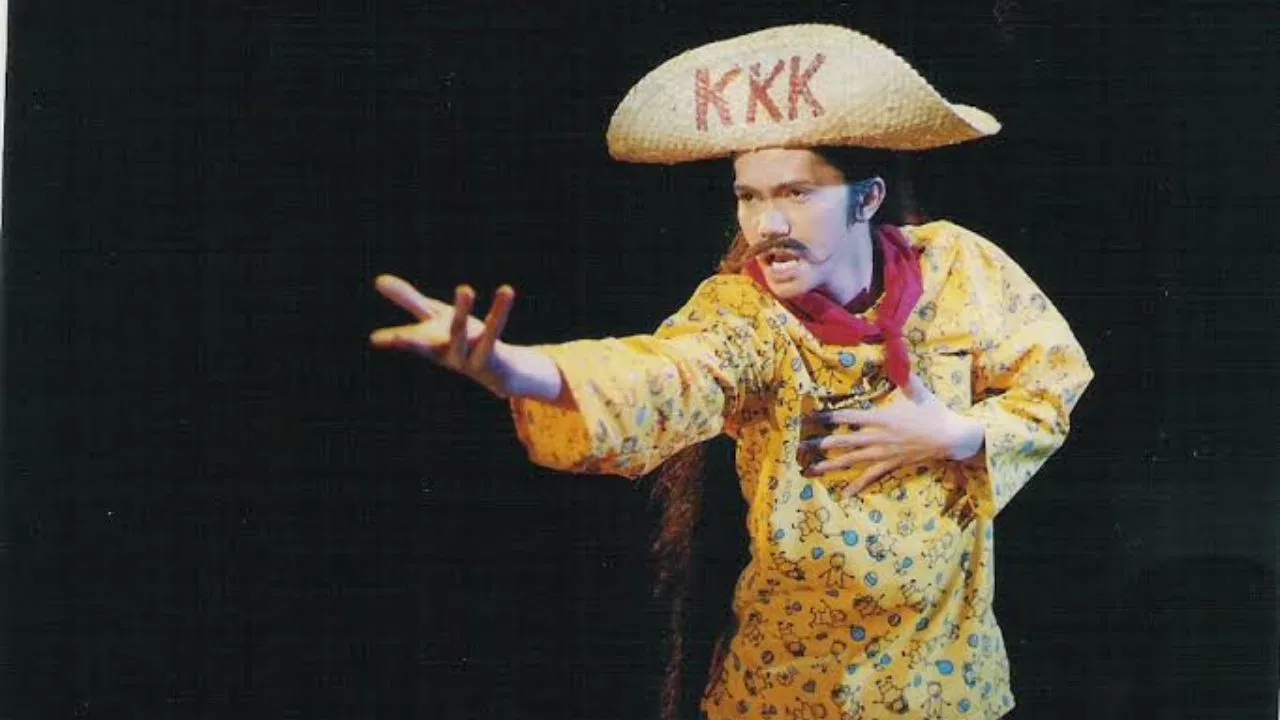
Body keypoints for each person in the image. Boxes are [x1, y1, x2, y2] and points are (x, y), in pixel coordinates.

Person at [371, 24, 1093, 720]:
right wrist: (519, 370)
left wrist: (956, 434)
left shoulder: (957, 268)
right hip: (786, 686)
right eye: (749, 196)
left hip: (945, 679)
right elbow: (669, 373)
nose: (766, 224)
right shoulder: (745, 313)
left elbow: (1050, 385)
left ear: (866, 198)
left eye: (796, 193)